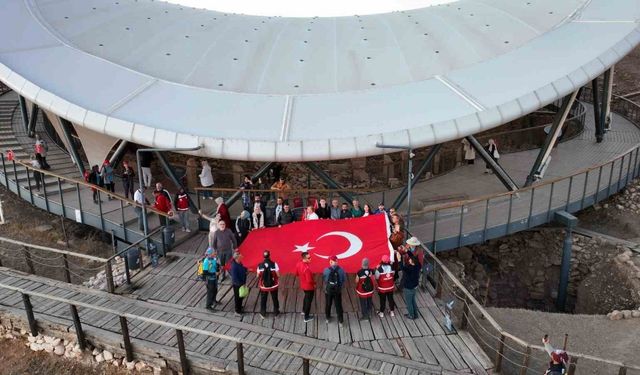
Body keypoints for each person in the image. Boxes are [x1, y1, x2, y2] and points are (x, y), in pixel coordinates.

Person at [323, 256, 346, 325]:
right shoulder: (341, 270)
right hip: (337, 291)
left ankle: (327, 318)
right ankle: (340, 321)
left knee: (328, 304)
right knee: (338, 305)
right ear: (337, 261)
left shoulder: (326, 270)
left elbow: (325, 280)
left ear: (330, 262)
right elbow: (344, 279)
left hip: (329, 291)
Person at [257, 251, 280, 318]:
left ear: (263, 257)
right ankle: (276, 313)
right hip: (273, 285)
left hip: (264, 286)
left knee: (263, 299)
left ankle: (263, 313)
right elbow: (278, 275)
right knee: (275, 298)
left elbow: (257, 276)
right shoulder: (274, 264)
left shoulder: (260, 265)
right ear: (269, 256)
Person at [295, 252, 315, 323]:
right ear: (304, 258)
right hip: (309, 287)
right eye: (309, 258)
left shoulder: (298, 264)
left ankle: (303, 311)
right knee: (308, 302)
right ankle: (306, 317)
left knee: (306, 297)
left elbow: (297, 274)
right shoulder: (307, 269)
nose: (310, 259)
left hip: (303, 285)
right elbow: (309, 280)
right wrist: (314, 283)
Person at [401, 253, 421, 320]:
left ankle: (411, 315)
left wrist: (399, 260)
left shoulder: (409, 269)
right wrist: (407, 251)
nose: (409, 259)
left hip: (409, 288)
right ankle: (415, 314)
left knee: (409, 302)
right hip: (414, 286)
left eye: (410, 259)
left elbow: (402, 267)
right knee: (413, 300)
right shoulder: (418, 265)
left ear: (412, 262)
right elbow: (413, 257)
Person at [230, 251, 248, 316]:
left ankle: (239, 307)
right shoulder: (234, 266)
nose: (242, 256)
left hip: (241, 283)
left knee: (241, 296)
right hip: (237, 284)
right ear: (237, 258)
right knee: (238, 297)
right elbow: (235, 277)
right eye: (240, 256)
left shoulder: (239, 263)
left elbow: (243, 268)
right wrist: (241, 284)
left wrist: (246, 269)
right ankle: (237, 311)